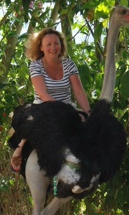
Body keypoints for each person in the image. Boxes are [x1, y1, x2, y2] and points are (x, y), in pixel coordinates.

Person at [10, 27, 90, 172]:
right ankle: (19, 149)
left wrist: (89, 112)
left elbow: (78, 91)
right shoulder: (36, 65)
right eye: (48, 44)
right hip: (44, 107)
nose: (53, 47)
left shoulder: (69, 64)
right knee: (33, 125)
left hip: (67, 107)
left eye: (56, 43)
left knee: (88, 126)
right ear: (41, 47)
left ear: (61, 45)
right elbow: (42, 94)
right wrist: (62, 113)